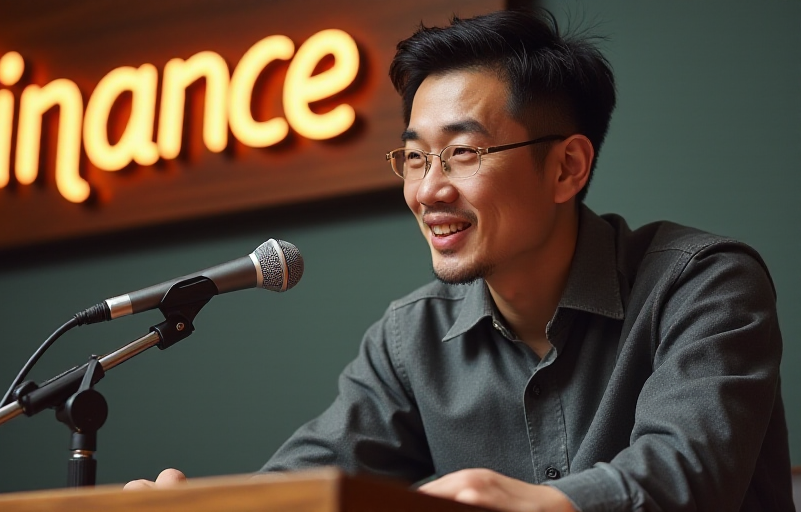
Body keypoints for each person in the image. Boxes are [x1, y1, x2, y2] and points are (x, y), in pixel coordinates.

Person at [124, 9, 794, 511]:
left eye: (463, 153)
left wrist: (530, 502)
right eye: (414, 157)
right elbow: (309, 486)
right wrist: (200, 505)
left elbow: (693, 473)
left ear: (566, 167)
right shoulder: (409, 339)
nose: (427, 189)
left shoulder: (702, 283)